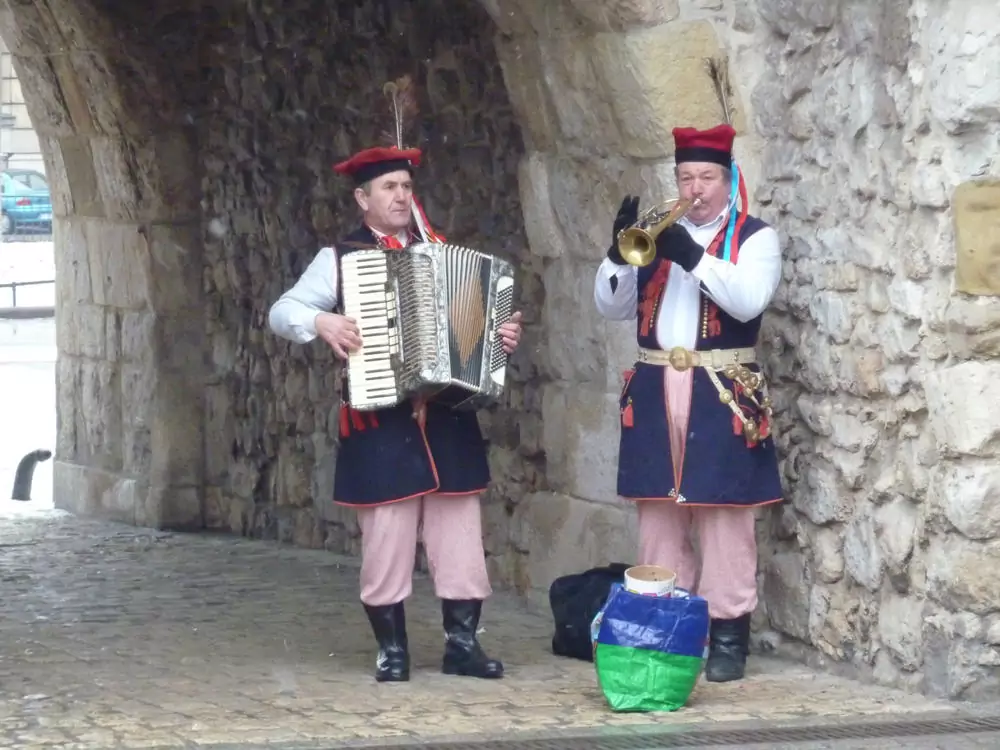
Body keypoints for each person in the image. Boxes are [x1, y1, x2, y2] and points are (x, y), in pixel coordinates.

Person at [268, 144, 523, 683]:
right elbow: (282, 311)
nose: (402, 196)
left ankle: (462, 645)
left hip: (448, 418)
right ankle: (392, 649)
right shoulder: (340, 259)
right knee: (387, 536)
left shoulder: (442, 253)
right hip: (382, 419)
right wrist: (322, 323)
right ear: (363, 199)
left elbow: (478, 333)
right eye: (389, 187)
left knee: (460, 536)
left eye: (406, 186)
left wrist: (499, 337)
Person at [593, 123, 784, 683]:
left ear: (728, 181)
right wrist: (617, 258)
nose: (695, 189)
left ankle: (727, 636)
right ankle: (669, 634)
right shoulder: (658, 236)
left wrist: (693, 258)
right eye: (685, 177)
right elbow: (611, 309)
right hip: (655, 386)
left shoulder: (755, 238)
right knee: (658, 514)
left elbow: (749, 301)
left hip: (722, 388)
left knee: (725, 517)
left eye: (706, 178)